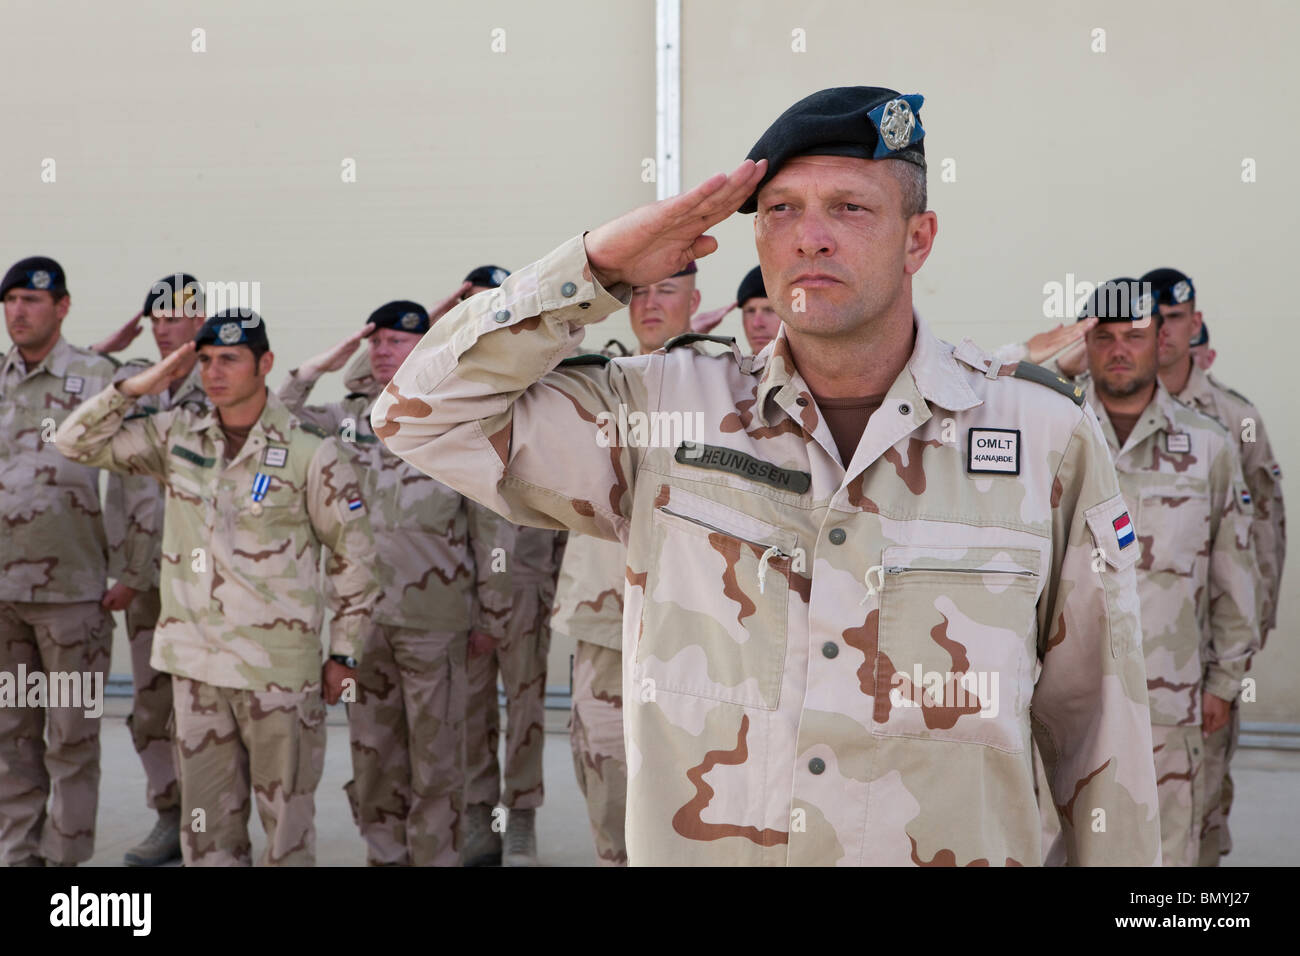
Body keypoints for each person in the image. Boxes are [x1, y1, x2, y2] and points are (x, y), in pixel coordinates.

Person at [372, 86, 1162, 866]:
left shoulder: (1041, 434)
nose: (809, 238)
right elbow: (419, 414)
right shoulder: (664, 415)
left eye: (849, 208)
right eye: (781, 210)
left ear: (917, 240)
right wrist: (598, 265)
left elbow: (1100, 730)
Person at [55, 311, 379, 866]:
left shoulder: (310, 452)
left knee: (287, 831)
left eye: (229, 358)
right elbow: (73, 441)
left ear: (265, 364)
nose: (213, 372)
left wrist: (344, 652)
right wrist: (138, 386)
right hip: (198, 668)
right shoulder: (177, 436)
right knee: (206, 832)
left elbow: (355, 556)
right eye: (204, 360)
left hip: (277, 673)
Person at [278, 301, 514, 866]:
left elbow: (491, 525)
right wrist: (317, 366)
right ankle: (384, 857)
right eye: (375, 341)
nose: (382, 351)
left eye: (396, 341)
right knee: (373, 756)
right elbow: (275, 416)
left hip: (437, 623)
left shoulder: (454, 417)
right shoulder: (345, 420)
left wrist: (493, 614)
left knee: (437, 761)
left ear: (423, 347)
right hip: (361, 628)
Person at [1074, 279, 1259, 866]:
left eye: (1135, 335)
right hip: (1065, 701)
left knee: (1168, 857)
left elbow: (1236, 578)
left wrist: (1225, 685)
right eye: (1104, 338)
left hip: (1171, 701)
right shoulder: (1053, 432)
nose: (1119, 350)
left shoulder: (1209, 445)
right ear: (1086, 343)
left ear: (1163, 339)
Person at [1143, 267, 1284, 866]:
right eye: (1151, 321)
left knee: (1199, 811)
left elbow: (1265, 540)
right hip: (1124, 658)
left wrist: (1239, 656)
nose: (1162, 333)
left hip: (1200, 658)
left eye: (1174, 319)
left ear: (1193, 324)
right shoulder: (1101, 410)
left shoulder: (1233, 419)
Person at [0, 257, 122, 867]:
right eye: (12, 300)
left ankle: (65, 867)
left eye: (32, 300)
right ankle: (18, 857)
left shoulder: (97, 378)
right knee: (11, 737)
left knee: (72, 739)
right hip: (3, 599)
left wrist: (133, 565)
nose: (19, 311)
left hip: (73, 595)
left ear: (62, 307)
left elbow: (134, 478)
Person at [91, 273, 210, 866]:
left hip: (208, 584)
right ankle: (168, 816)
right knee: (149, 707)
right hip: (141, 580)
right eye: (155, 318)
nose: (165, 328)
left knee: (213, 710)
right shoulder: (131, 385)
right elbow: (71, 397)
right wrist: (108, 348)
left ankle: (211, 822)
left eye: (177, 316)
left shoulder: (222, 379)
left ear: (201, 319)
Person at [735, 266, 780, 353]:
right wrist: (700, 335)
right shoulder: (729, 366)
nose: (757, 324)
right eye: (750, 311)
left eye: (769, 310)